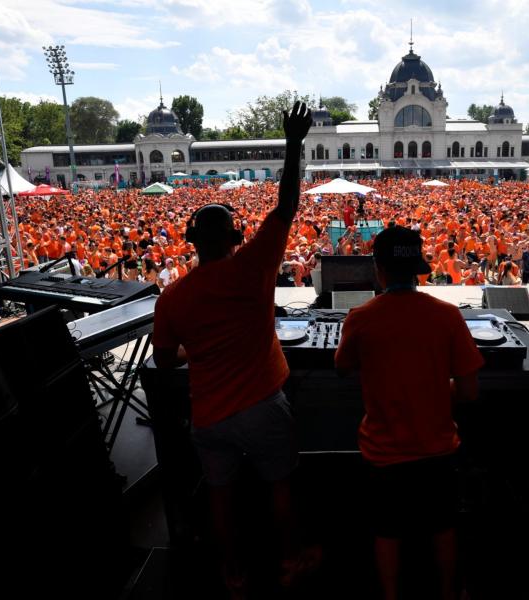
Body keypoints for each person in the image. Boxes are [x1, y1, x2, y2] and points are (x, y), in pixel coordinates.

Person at [151, 101, 316, 596]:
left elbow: (164, 361)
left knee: (220, 496)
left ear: (192, 243)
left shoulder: (174, 297)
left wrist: (195, 354)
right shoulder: (254, 264)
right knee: (279, 485)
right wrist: (292, 143)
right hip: (264, 403)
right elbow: (287, 205)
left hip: (209, 414)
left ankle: (233, 574)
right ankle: (289, 561)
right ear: (237, 236)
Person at [334, 226, 484, 600]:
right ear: (419, 269)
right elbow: (468, 391)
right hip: (437, 448)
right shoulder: (449, 316)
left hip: (384, 453)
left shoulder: (360, 317)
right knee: (442, 525)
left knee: (387, 529)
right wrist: (432, 386)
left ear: (377, 270)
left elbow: (341, 367)